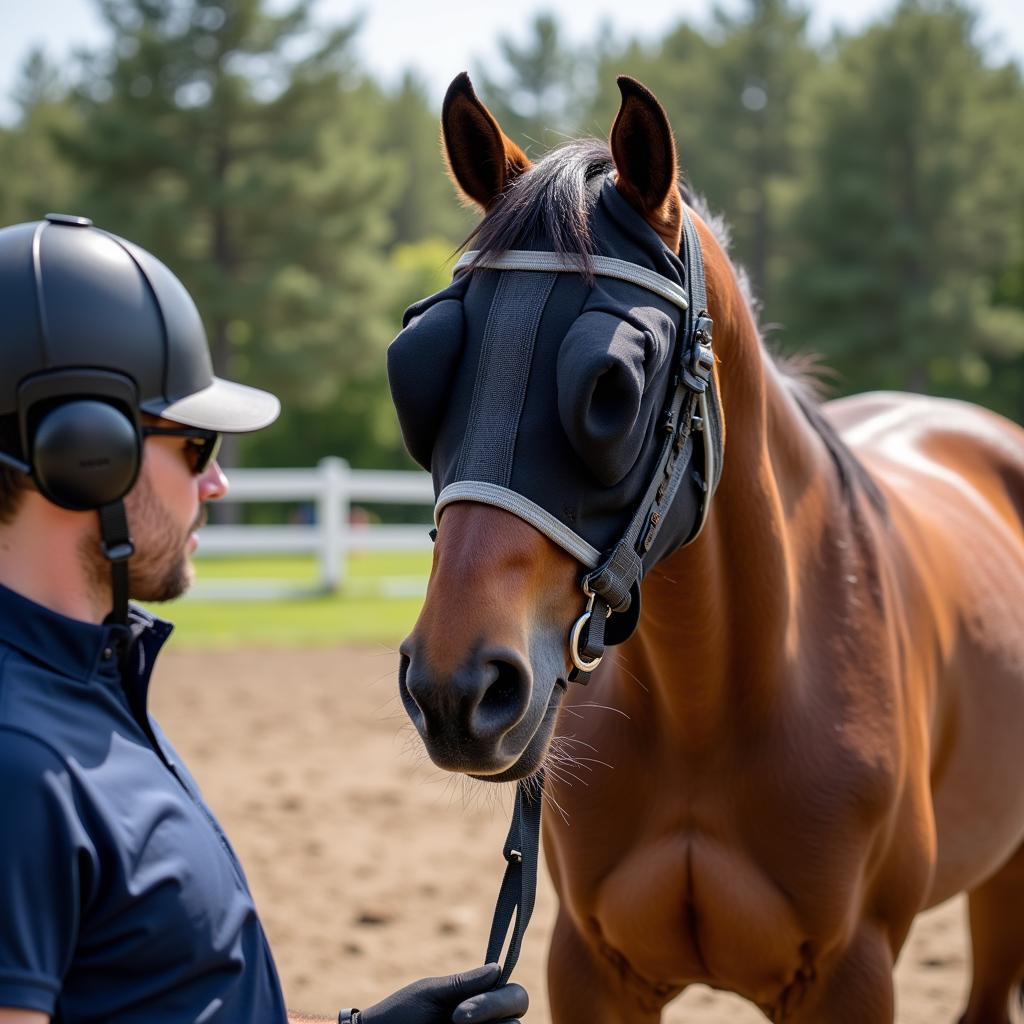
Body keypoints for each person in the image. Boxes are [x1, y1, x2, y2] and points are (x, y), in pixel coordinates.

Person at [0, 215, 529, 1024]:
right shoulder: (20, 767)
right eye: (196, 445)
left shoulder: (84, 692)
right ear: (84, 452)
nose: (214, 485)